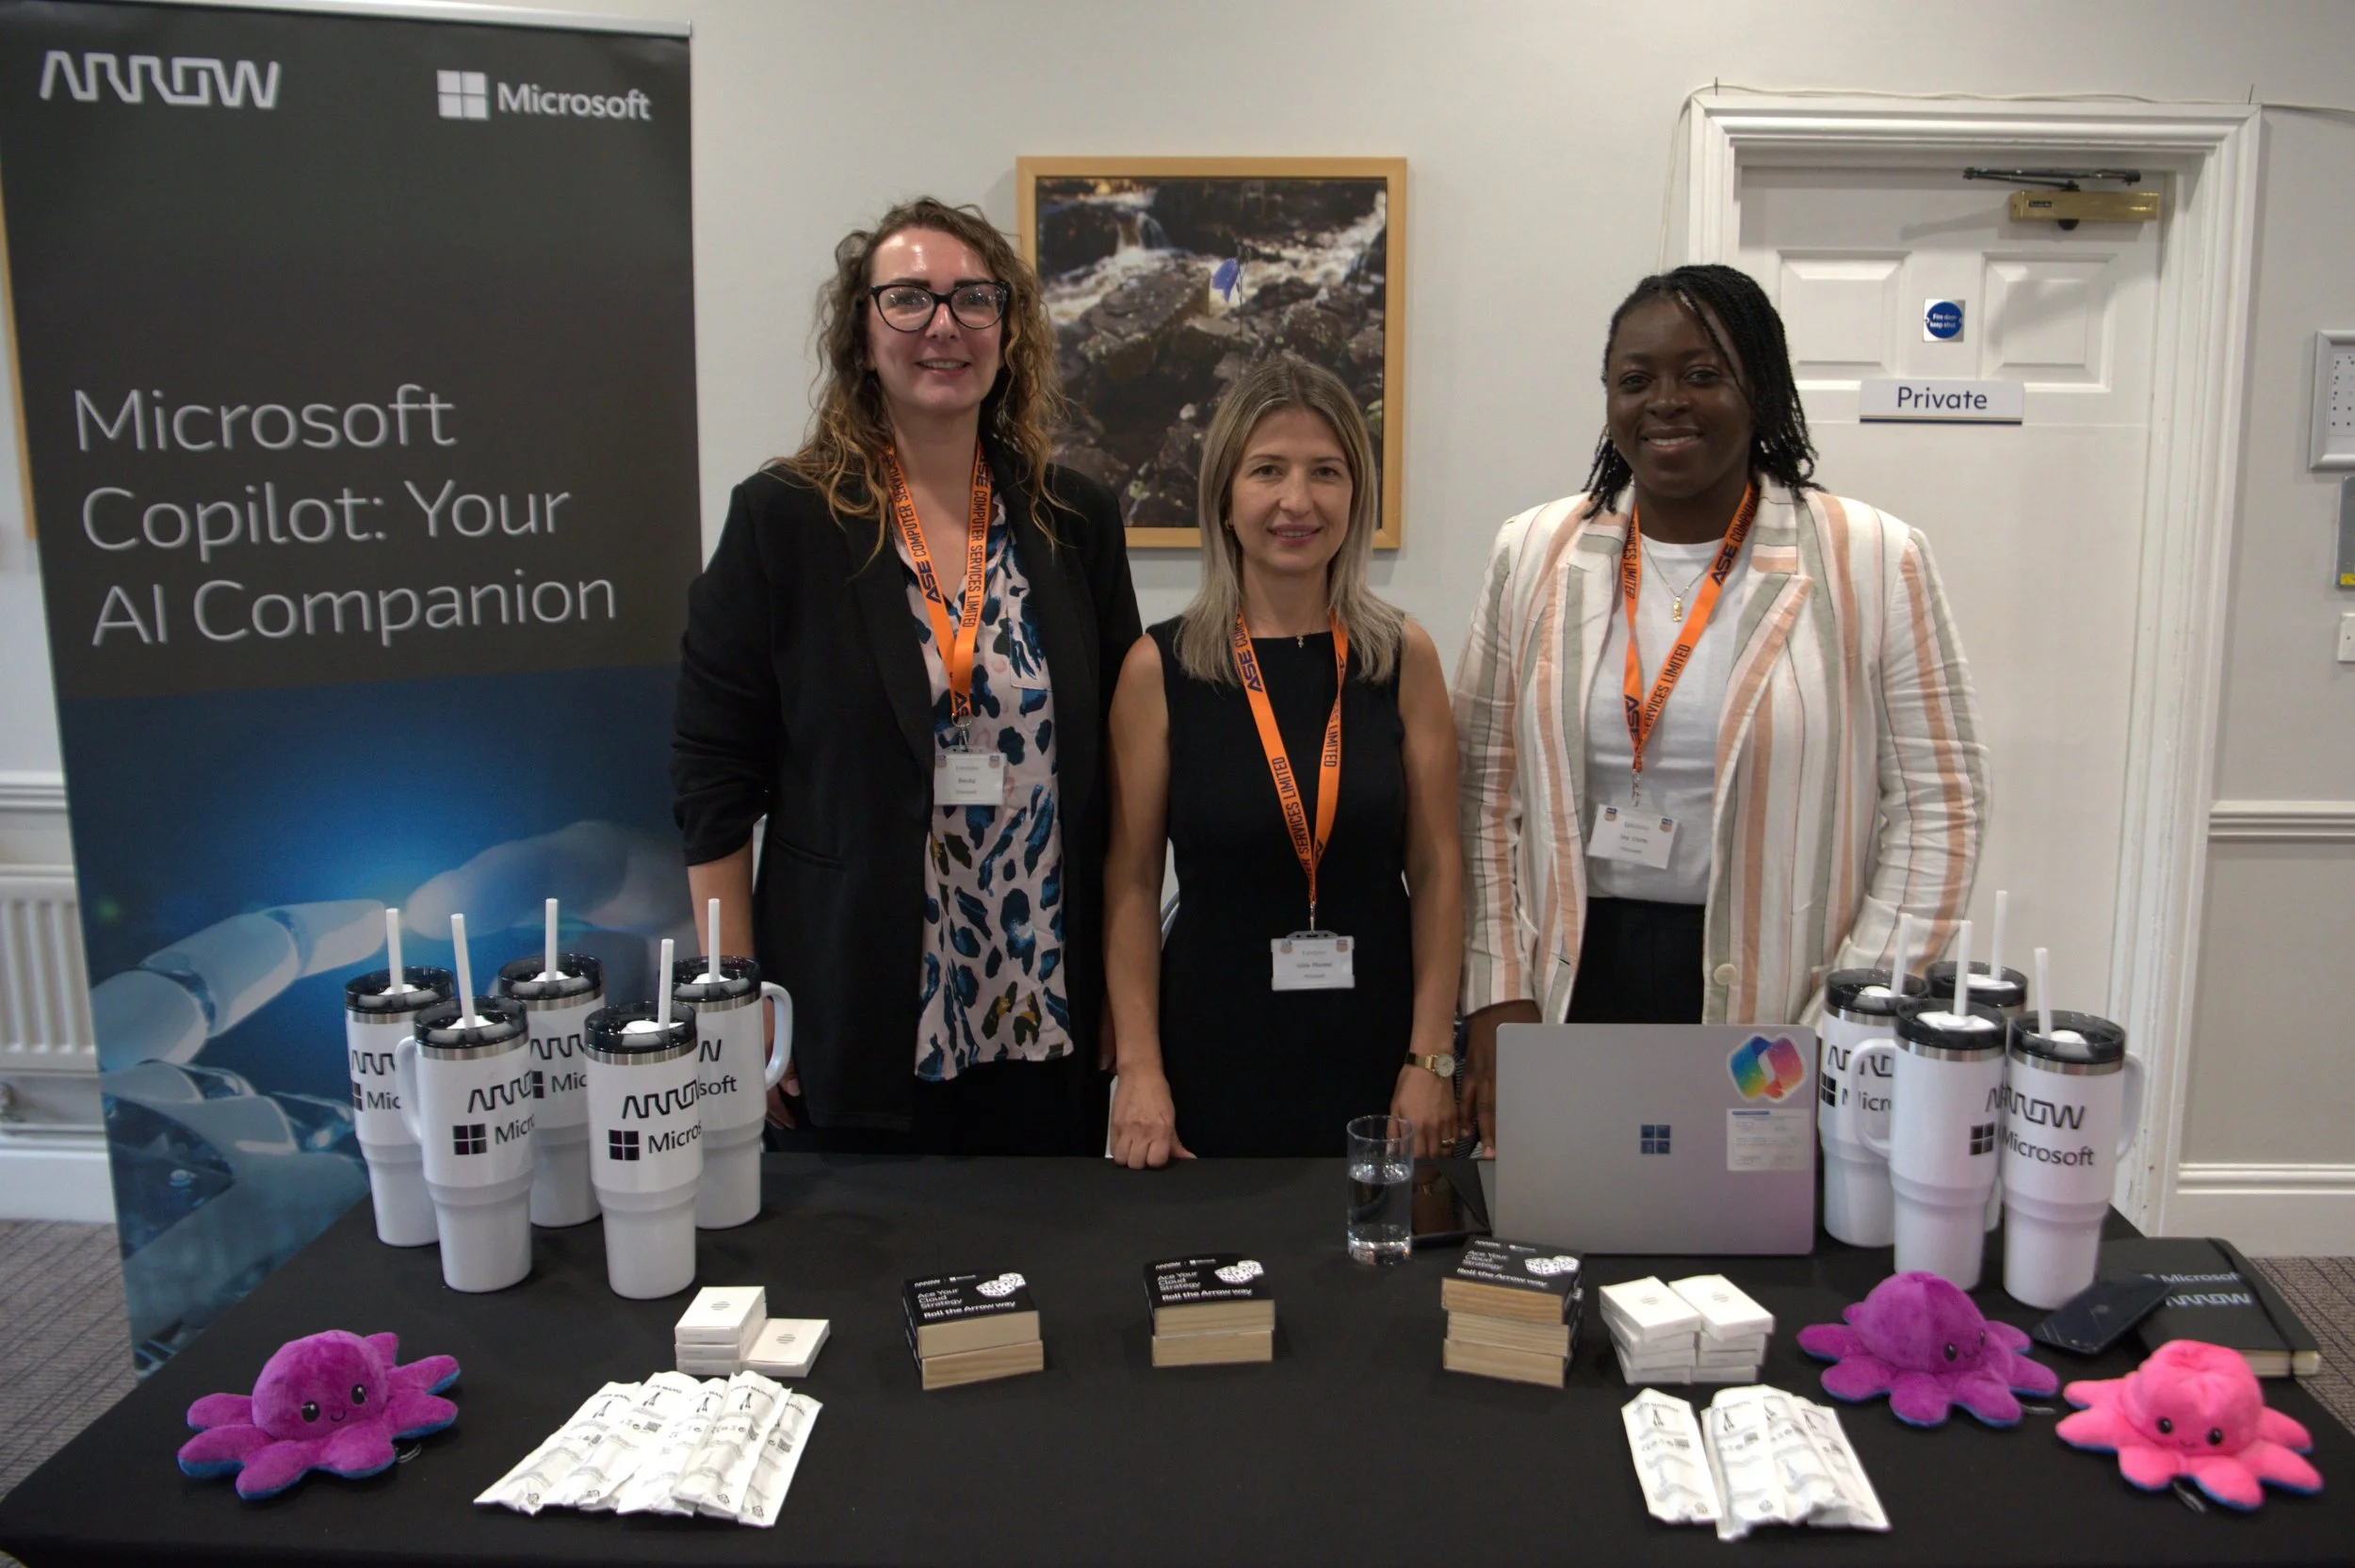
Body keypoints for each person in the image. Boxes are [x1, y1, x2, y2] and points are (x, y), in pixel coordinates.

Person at [1453, 265, 1986, 1151]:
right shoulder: (1537, 550)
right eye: (1637, 379)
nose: (1668, 402)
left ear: (1762, 387)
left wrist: (1852, 1010)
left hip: (1782, 988)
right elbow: (1479, 793)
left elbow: (1944, 807)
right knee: (1569, 1229)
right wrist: (1499, 989)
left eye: (1703, 374)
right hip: (1572, 976)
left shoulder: (1871, 556)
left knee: (1751, 1247)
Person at [672, 197, 1140, 1155]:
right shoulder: (783, 522)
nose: (944, 326)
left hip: (1040, 998)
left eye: (974, 299)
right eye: (909, 300)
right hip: (851, 1000)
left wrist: (1123, 1006)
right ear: (861, 329)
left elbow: (1122, 777)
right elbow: (712, 787)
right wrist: (735, 998)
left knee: (1040, 1277)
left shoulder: (1075, 518)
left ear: (1007, 331)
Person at [1102, 357, 1463, 1165]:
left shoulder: (1403, 658)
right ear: (1226, 499)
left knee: (1378, 1282)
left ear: (1355, 497)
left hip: (1379, 1057)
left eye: (1325, 473)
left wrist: (1430, 1059)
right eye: (1268, 470)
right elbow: (1128, 884)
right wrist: (1139, 1070)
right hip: (1209, 1057)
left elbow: (1438, 868)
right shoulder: (1159, 669)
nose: (1297, 501)